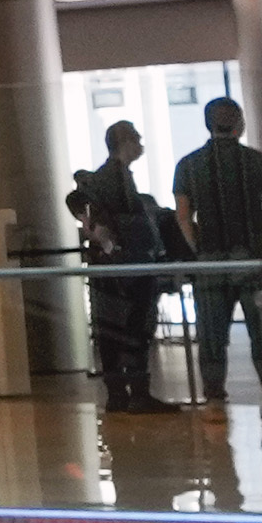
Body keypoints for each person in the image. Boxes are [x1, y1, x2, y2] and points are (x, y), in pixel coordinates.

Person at [170, 93, 262, 413]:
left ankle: (215, 401)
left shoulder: (188, 165)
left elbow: (183, 216)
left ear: (208, 124)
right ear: (239, 123)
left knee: (211, 336)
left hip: (211, 260)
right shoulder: (259, 162)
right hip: (253, 258)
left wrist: (200, 249)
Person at [70, 119, 173, 413]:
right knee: (132, 329)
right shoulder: (112, 179)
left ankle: (121, 393)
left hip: (119, 268)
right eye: (137, 139)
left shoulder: (113, 178)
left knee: (116, 331)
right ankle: (133, 393)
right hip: (127, 269)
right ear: (126, 143)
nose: (141, 144)